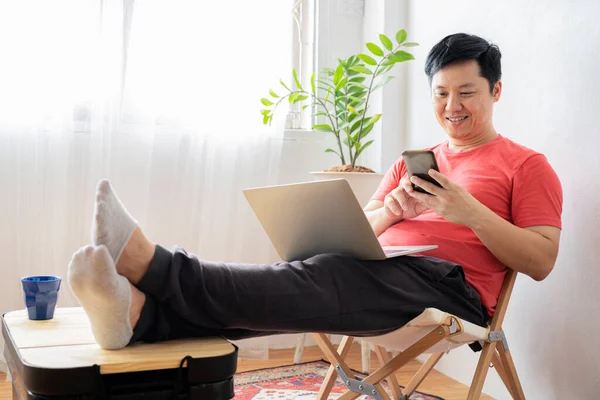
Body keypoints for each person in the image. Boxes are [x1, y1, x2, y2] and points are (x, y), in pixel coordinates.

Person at [68, 33, 563, 350]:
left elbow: (541, 261)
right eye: (440, 93)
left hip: (450, 290)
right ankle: (141, 317)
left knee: (316, 278)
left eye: (467, 93)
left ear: (495, 92)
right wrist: (390, 213)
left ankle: (152, 265)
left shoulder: (526, 165)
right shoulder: (412, 163)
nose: (451, 106)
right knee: (303, 284)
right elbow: (362, 230)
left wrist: (468, 211)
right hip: (380, 271)